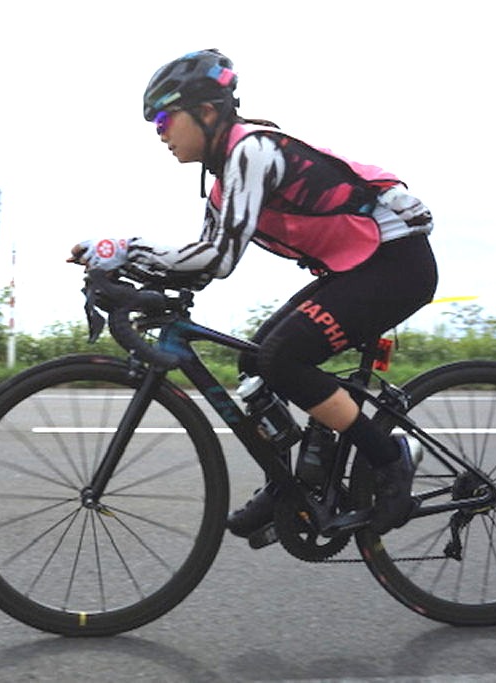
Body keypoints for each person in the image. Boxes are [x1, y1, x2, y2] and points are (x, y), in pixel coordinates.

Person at [68, 49, 438, 540]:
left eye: (163, 118)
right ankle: (294, 482)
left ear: (206, 112)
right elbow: (198, 271)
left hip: (396, 262)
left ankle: (391, 459)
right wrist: (128, 276)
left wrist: (123, 249)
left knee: (282, 357)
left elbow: (216, 258)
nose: (159, 132)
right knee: (255, 360)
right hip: (356, 266)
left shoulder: (253, 150)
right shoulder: (222, 186)